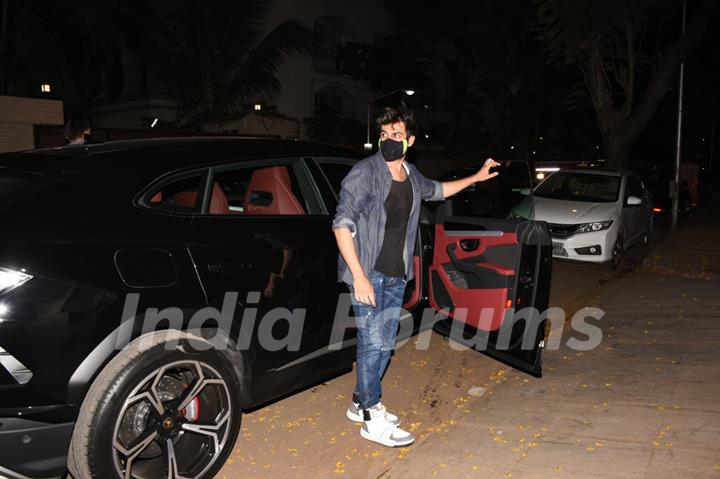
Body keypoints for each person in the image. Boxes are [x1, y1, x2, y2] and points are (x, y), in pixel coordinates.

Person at [332, 104, 499, 447]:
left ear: (410, 140)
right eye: (383, 135)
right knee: (372, 345)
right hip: (369, 274)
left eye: (396, 135)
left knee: (383, 345)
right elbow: (341, 225)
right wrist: (359, 277)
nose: (389, 140)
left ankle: (358, 402)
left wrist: (476, 178)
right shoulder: (365, 173)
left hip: (395, 275)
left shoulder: (409, 173)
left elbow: (437, 191)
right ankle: (370, 414)